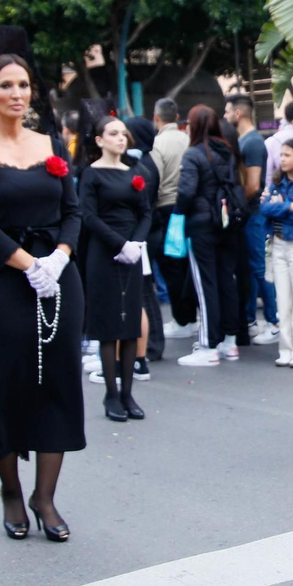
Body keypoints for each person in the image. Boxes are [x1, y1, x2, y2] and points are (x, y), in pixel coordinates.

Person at [0, 28, 83, 543]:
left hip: (58, 278)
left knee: (58, 383)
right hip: (4, 282)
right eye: (5, 85)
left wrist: (58, 259)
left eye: (24, 85)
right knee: (4, 388)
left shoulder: (52, 145)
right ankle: (10, 490)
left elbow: (73, 211)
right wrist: (27, 264)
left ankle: (44, 497)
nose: (17, 93)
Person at [77, 107, 152, 422]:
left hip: (132, 252)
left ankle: (128, 394)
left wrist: (135, 243)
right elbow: (88, 216)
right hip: (103, 252)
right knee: (108, 326)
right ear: (99, 140)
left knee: (130, 323)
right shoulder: (91, 173)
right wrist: (119, 243)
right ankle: (111, 394)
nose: (121, 138)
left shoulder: (134, 172)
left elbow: (146, 212)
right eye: (114, 133)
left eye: (124, 134)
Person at [174, 104, 244, 366]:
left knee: (205, 284)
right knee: (227, 279)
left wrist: (179, 211)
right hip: (226, 223)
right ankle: (229, 341)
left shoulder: (193, 154)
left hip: (201, 224)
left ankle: (208, 345)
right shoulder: (225, 150)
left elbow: (186, 192)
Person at [226, 94, 279, 344]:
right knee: (250, 268)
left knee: (258, 268)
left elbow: (253, 184)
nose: (225, 116)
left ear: (238, 114)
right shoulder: (245, 141)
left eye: (227, 111)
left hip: (252, 214)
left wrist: (237, 207)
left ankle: (274, 320)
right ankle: (252, 320)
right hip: (247, 213)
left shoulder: (254, 143)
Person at [259, 138, 293, 367]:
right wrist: (290, 206)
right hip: (278, 244)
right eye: (280, 155)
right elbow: (263, 209)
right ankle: (286, 349)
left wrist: (278, 207)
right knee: (282, 298)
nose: (281, 159)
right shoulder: (278, 181)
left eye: (287, 155)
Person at [149, 100, 196, 340]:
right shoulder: (189, 140)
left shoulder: (157, 144)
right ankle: (194, 317)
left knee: (171, 268)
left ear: (156, 117)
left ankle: (182, 319)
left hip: (166, 209)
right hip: (190, 207)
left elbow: (154, 180)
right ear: (177, 116)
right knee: (190, 266)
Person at [124, 114, 164, 367]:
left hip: (142, 236)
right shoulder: (144, 162)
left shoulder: (143, 166)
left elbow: (142, 206)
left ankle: (152, 343)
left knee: (145, 292)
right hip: (144, 234)